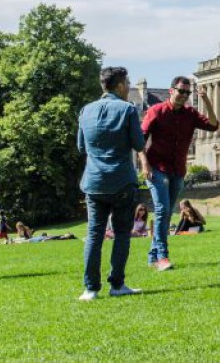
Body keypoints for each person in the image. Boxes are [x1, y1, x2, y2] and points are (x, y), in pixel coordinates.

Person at [76, 65, 147, 301]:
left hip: (94, 181)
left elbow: (81, 147)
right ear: (119, 86)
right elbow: (139, 144)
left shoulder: (86, 110)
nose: (128, 88)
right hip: (121, 180)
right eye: (127, 84)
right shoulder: (127, 109)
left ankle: (90, 288)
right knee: (122, 234)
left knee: (94, 235)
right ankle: (117, 284)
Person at [139, 75, 218, 271]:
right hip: (156, 168)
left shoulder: (190, 114)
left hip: (178, 170)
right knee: (162, 210)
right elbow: (140, 140)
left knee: (166, 214)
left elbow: (213, 125)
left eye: (187, 93)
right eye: (181, 91)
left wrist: (206, 99)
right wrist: (144, 164)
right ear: (171, 90)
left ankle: (152, 257)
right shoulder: (156, 111)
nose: (184, 95)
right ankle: (162, 257)